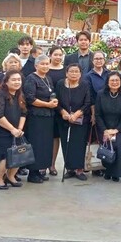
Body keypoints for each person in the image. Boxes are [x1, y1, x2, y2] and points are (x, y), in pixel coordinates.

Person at [0, 70, 27, 190]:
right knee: (6, 155)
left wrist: (19, 129)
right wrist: (12, 130)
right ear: (6, 81)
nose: (17, 82)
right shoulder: (0, 94)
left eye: (19, 80)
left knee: (20, 152)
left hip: (15, 129)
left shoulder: (19, 94)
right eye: (14, 80)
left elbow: (24, 113)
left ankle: (10, 176)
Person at [23, 56, 58, 183]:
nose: (45, 66)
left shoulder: (48, 78)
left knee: (45, 144)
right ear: (36, 66)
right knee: (36, 144)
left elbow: (51, 93)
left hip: (48, 116)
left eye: (47, 64)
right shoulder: (31, 79)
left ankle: (40, 170)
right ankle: (32, 173)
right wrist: (47, 104)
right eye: (42, 64)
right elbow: (30, 99)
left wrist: (53, 101)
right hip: (36, 116)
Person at [56, 64, 92, 181]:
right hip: (64, 119)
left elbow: (87, 103)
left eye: (77, 72)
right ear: (66, 73)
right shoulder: (61, 84)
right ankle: (70, 169)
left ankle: (79, 169)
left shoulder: (85, 84)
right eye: (71, 71)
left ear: (80, 74)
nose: (74, 74)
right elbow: (56, 101)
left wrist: (77, 114)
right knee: (67, 144)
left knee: (79, 144)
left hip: (80, 119)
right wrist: (63, 112)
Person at [95, 72, 121, 182]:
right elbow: (98, 114)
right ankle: (107, 171)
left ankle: (116, 173)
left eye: (117, 80)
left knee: (118, 148)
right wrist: (105, 130)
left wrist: (117, 129)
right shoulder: (101, 94)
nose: (114, 82)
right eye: (112, 80)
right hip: (104, 127)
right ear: (107, 82)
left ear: (120, 82)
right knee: (106, 150)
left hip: (119, 128)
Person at [47, 46, 67, 177]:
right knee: (44, 138)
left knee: (56, 137)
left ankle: (52, 164)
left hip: (61, 109)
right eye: (55, 54)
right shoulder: (45, 68)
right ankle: (42, 164)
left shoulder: (66, 71)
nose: (58, 57)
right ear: (50, 55)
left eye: (60, 55)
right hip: (45, 108)